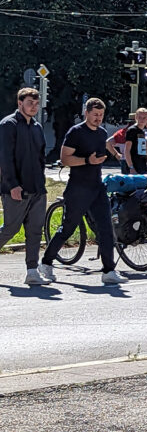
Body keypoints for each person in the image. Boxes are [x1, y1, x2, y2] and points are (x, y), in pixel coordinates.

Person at [40, 98, 127, 285]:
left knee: (106, 227)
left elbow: (103, 152)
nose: (98, 118)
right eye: (95, 114)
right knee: (68, 228)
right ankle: (46, 263)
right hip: (78, 188)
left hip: (97, 187)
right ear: (86, 113)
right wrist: (87, 161)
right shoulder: (76, 132)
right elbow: (64, 159)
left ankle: (109, 270)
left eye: (101, 115)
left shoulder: (102, 133)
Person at [0, 88, 50, 285]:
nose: (34, 107)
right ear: (20, 103)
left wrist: (42, 183)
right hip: (16, 189)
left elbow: (40, 157)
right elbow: (5, 159)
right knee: (10, 229)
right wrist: (13, 185)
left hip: (37, 188)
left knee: (35, 230)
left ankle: (32, 271)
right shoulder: (7, 125)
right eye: (30, 103)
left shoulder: (37, 127)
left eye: (36, 104)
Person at [123, 108, 147, 175]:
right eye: (140, 117)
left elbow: (143, 152)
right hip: (133, 167)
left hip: (142, 167)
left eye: (144, 118)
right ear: (136, 117)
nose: (142, 120)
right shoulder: (132, 130)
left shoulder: (143, 132)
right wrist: (131, 167)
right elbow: (127, 150)